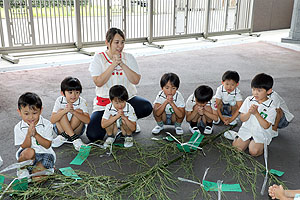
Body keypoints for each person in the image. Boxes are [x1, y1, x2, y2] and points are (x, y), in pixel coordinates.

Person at [87, 27, 152, 142]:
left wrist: (122, 64)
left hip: (126, 101)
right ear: (107, 43)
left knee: (146, 107)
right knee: (93, 135)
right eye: (116, 42)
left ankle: (128, 122)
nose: (120, 46)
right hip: (105, 103)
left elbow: (136, 80)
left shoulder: (129, 57)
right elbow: (98, 82)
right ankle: (116, 122)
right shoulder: (98, 58)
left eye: (122, 42)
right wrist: (113, 64)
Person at [233, 73, 277, 157]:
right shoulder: (249, 100)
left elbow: (266, 126)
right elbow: (242, 118)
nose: (255, 93)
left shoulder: (271, 106)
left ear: (269, 91)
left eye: (259, 91)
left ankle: (260, 145)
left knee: (254, 152)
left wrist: (256, 113)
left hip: (261, 133)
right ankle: (241, 138)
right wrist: (249, 112)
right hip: (247, 130)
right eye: (253, 89)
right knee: (236, 149)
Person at [14, 92, 56, 181]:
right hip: (27, 154)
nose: (31, 117)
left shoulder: (47, 124)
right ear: (19, 112)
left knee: (37, 179)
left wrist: (36, 134)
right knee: (29, 152)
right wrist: (29, 135)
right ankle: (23, 169)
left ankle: (43, 170)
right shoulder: (18, 127)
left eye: (34, 113)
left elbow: (47, 145)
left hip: (45, 154)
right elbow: (24, 147)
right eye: (26, 114)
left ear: (40, 110)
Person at [50, 77, 90, 151]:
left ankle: (64, 136)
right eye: (70, 92)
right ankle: (75, 139)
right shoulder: (59, 100)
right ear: (62, 93)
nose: (74, 96)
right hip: (60, 129)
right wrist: (65, 111)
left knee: (79, 111)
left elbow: (87, 121)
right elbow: (52, 120)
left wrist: (74, 112)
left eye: (77, 92)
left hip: (77, 130)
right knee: (60, 112)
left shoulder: (82, 101)